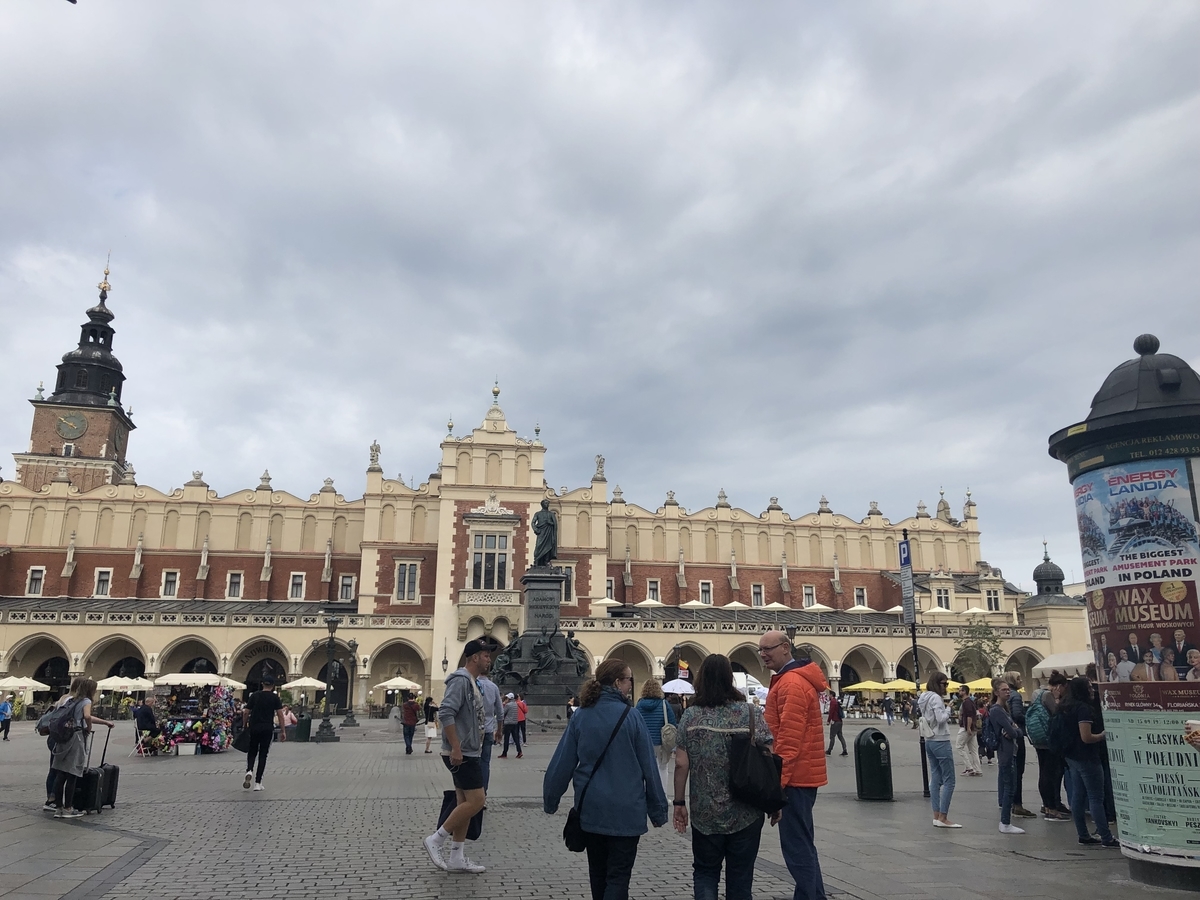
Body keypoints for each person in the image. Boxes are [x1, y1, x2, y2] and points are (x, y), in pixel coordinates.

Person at [544, 658, 667, 900]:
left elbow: (562, 762)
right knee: (619, 877)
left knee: (598, 875)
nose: (631, 685)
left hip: (592, 810)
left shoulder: (581, 716)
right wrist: (658, 810)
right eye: (629, 679)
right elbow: (649, 769)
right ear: (617, 682)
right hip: (627, 812)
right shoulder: (632, 717)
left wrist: (551, 799)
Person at [674, 654, 771, 900]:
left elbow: (681, 763)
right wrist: (775, 801)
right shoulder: (751, 713)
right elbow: (769, 756)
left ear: (701, 679)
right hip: (746, 810)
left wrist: (678, 803)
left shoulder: (691, 716)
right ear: (730, 679)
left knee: (706, 873)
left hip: (705, 812)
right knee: (741, 877)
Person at [758, 630, 829, 900]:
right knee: (803, 845)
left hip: (796, 778)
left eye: (769, 649)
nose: (764, 654)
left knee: (797, 848)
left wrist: (779, 783)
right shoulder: (790, 680)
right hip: (802, 776)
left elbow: (788, 739)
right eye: (760, 650)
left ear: (786, 648)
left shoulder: (791, 684)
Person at [424, 639, 493, 874]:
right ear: (474, 657)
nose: (488, 659)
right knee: (477, 801)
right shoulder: (461, 681)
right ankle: (436, 839)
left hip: (468, 750)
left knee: (465, 803)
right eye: (485, 655)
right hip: (462, 753)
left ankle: (456, 857)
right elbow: (446, 712)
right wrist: (456, 747)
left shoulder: (471, 682)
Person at [1060, 675, 1119, 847]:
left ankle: (1083, 834)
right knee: (1095, 797)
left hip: (1071, 756)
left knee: (1078, 796)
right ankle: (1106, 836)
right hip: (1087, 757)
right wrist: (1102, 735)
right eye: (1088, 687)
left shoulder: (1065, 706)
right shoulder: (1083, 709)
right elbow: (1086, 737)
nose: (1092, 690)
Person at [51, 677, 114, 819]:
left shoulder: (71, 700)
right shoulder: (86, 701)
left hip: (64, 738)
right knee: (73, 773)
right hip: (76, 738)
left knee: (61, 774)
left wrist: (104, 722)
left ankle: (58, 808)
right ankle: (68, 808)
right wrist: (89, 728)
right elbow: (87, 716)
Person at [918, 673, 959, 829]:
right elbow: (941, 718)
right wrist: (949, 709)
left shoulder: (924, 697)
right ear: (937, 684)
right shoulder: (936, 698)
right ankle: (943, 817)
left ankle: (936, 815)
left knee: (935, 776)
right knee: (949, 780)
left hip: (929, 740)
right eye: (944, 684)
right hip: (941, 739)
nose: (946, 687)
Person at [1030, 671, 1070, 820]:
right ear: (1059, 686)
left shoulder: (1036, 693)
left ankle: (1048, 806)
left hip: (1038, 738)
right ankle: (1051, 808)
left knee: (1044, 773)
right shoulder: (1047, 695)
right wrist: (1058, 700)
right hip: (1047, 739)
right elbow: (1056, 713)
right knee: (1050, 773)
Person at [990, 679, 1024, 834]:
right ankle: (1005, 822)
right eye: (1004, 690)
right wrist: (1014, 730)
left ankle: (1006, 821)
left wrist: (1015, 730)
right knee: (1009, 787)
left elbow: (1016, 731)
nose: (1007, 692)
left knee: (1010, 785)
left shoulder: (1005, 709)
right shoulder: (997, 710)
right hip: (1006, 753)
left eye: (1008, 689)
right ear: (997, 692)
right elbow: (1013, 732)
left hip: (1011, 751)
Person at [242, 675, 286, 792]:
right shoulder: (275, 698)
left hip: (254, 727)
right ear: (272, 686)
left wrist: (244, 724)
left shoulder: (254, 696)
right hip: (267, 728)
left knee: (252, 751)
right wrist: (283, 730)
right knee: (263, 755)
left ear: (262, 684)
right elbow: (280, 715)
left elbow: (246, 712)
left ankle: (249, 770)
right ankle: (258, 783)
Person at [635, 678, 677, 790]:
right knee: (663, 768)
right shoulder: (664, 704)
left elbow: (635, 723)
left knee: (645, 769)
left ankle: (647, 795)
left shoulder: (639, 705)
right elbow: (672, 723)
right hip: (661, 742)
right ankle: (662, 794)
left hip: (644, 742)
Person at [1003, 672, 1035, 818]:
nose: (1021, 680)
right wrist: (1028, 715)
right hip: (1018, 734)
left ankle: (1011, 802)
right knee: (1018, 771)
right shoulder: (1016, 695)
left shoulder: (1008, 695)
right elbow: (1016, 714)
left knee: (1012, 771)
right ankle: (1018, 804)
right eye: (1018, 679)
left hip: (1008, 736)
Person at [477, 670, 503, 790]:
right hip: (488, 730)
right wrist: (499, 730)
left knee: (472, 762)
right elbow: (500, 711)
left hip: (474, 730)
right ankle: (483, 794)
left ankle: (473, 794)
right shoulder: (493, 687)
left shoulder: (472, 684)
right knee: (485, 763)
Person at [954, 684, 980, 776]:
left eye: (960, 690)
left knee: (959, 746)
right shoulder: (970, 701)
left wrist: (968, 727)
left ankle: (969, 768)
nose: (959, 692)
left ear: (964, 691)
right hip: (973, 728)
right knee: (973, 749)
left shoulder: (967, 702)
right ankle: (977, 769)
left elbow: (969, 715)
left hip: (966, 728)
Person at [499, 692, 523, 759]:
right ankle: (519, 751)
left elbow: (503, 713)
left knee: (506, 739)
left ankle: (504, 753)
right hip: (514, 723)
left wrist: (504, 704)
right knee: (516, 738)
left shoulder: (508, 705)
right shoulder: (515, 704)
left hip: (508, 723)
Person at [824, 692, 846, 756]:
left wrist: (828, 721)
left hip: (835, 721)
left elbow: (831, 712)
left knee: (832, 736)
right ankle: (845, 750)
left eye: (829, 695)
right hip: (840, 721)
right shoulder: (836, 701)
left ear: (831, 695)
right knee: (840, 736)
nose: (828, 696)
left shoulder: (833, 702)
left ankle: (829, 750)